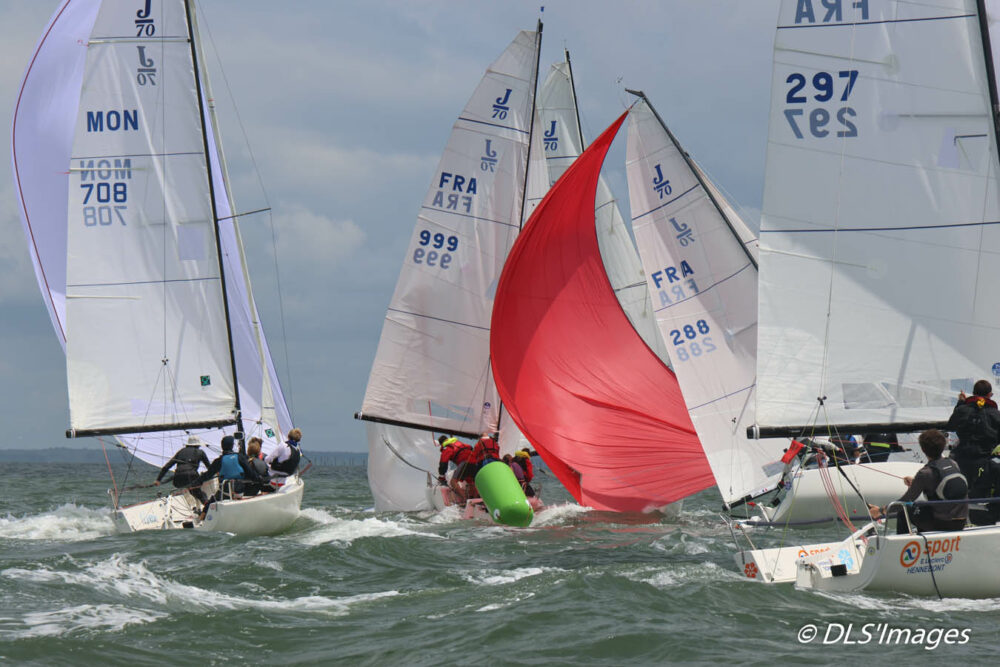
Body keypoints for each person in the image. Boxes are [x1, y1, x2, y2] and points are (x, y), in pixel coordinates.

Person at [867, 429, 968, 534]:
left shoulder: (925, 473)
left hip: (942, 524)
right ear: (943, 446)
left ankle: (903, 546)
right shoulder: (953, 463)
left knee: (903, 512)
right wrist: (916, 482)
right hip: (961, 522)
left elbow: (905, 501)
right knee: (923, 508)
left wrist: (880, 511)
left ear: (923, 450)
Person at [946, 379, 1000, 485]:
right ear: (990, 395)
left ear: (974, 394)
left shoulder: (962, 410)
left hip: (962, 458)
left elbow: (951, 425)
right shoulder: (995, 414)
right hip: (986, 460)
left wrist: (960, 403)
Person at [197, 435, 257, 518]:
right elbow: (251, 473)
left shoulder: (219, 460)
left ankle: (201, 518)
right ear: (232, 445)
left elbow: (207, 475)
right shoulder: (240, 457)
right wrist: (259, 479)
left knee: (211, 502)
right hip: (240, 490)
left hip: (224, 491)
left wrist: (195, 482)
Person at [154, 435, 210, 509]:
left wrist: (158, 480)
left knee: (190, 489)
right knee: (200, 494)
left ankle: (195, 508)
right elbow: (210, 467)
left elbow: (167, 466)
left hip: (178, 480)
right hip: (192, 477)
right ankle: (207, 508)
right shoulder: (200, 452)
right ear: (198, 445)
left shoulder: (181, 451)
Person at [438, 435, 476, 501]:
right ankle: (474, 499)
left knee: (453, 482)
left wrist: (442, 476)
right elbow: (470, 447)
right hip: (475, 462)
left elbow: (443, 463)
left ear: (441, 443)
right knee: (471, 482)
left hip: (465, 463)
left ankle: (465, 499)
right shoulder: (460, 443)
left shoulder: (447, 448)